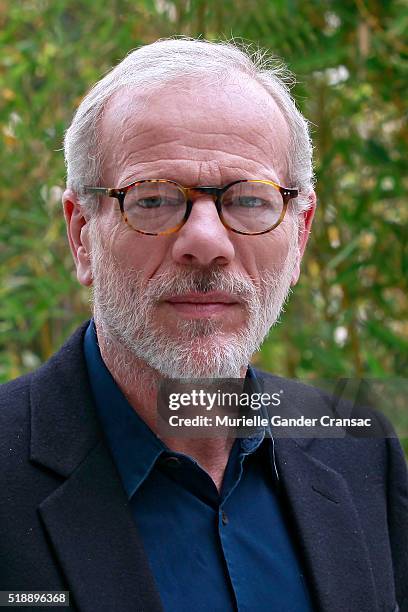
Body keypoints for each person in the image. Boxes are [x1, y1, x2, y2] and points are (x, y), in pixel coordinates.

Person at [0, 38, 406, 612]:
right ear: (81, 234)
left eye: (249, 200)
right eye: (155, 200)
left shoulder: (361, 451)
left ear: (301, 237)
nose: (207, 243)